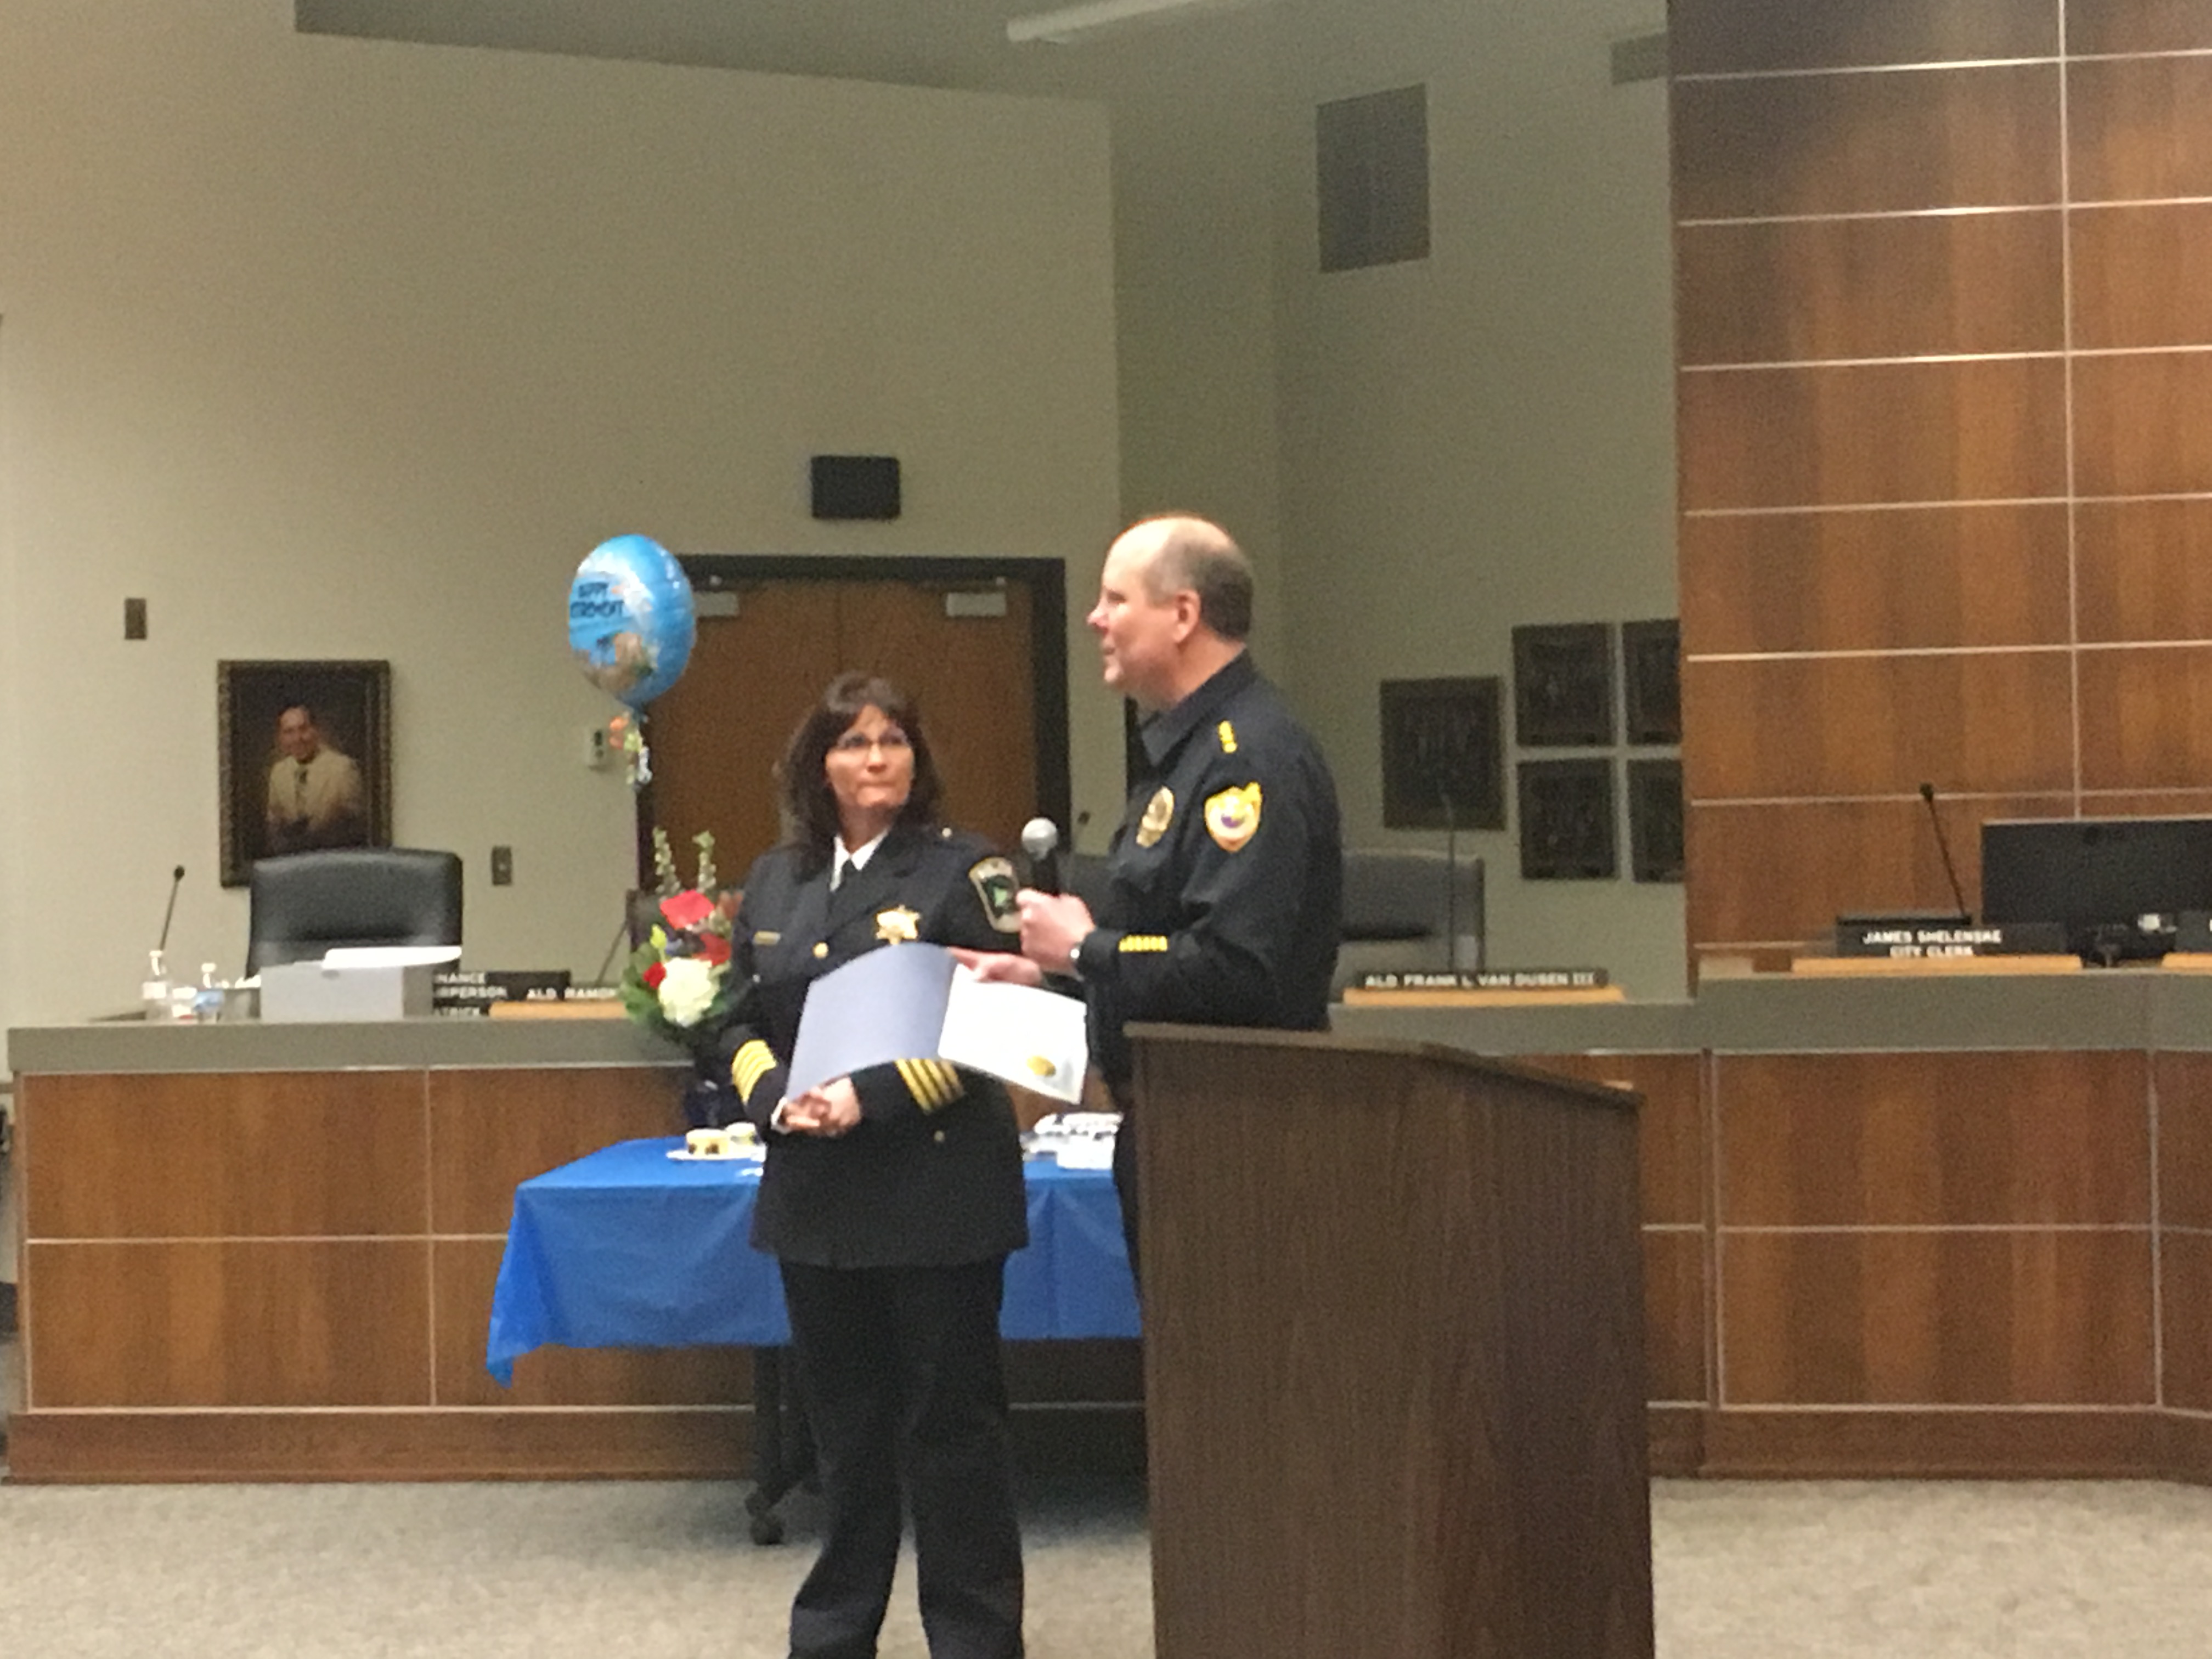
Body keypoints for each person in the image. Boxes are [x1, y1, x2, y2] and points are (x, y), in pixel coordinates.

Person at [712, 671, 1028, 1659]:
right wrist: (776, 1097)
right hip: (817, 1195)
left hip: (937, 1193)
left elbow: (998, 1025)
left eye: (893, 740)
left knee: (951, 1432)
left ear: (916, 758)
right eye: (852, 742)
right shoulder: (778, 878)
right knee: (842, 1434)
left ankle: (974, 1637)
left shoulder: (966, 870)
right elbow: (731, 1019)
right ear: (820, 765)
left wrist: (872, 1095)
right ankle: (834, 1632)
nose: (875, 758)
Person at [964, 514, 1342, 1282]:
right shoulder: (1187, 751)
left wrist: (1084, 948)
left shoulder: (1246, 758)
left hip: (1238, 1128)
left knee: (1230, 1348)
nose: (1094, 619)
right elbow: (1166, 941)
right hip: (1179, 1118)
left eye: (1116, 599)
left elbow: (1236, 968)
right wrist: (1057, 973)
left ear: (1183, 614)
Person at [263, 703, 366, 856]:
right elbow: (274, 827)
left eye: (303, 729)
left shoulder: (342, 768)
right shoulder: (279, 773)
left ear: (315, 731)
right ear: (281, 738)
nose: (297, 739)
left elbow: (357, 826)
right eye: (289, 732)